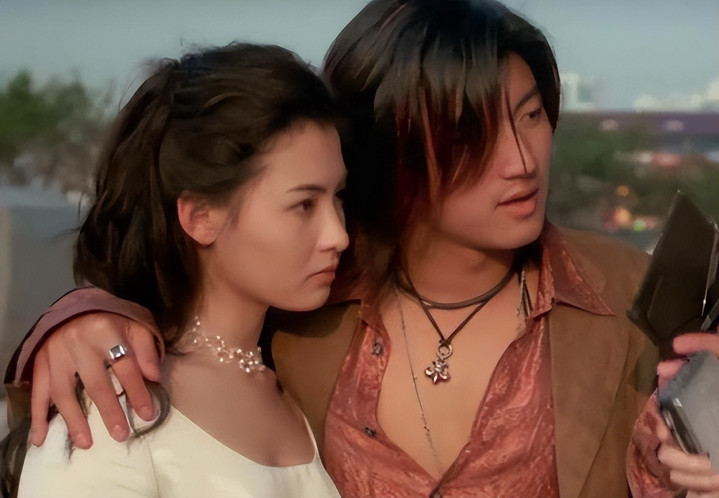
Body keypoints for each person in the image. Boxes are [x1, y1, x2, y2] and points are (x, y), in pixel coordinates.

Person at [4, 0, 717, 496]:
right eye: (473, 133)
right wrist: (81, 316)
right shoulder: (307, 300)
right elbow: (195, 298)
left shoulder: (636, 296)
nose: (521, 161)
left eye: (530, 116)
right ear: (395, 144)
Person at [1, 42, 346, 497]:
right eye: (304, 204)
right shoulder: (115, 406)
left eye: (338, 197)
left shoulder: (305, 382)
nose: (339, 235)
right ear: (201, 216)